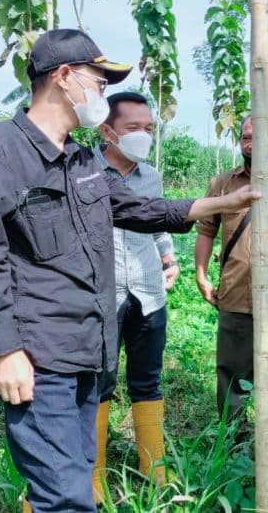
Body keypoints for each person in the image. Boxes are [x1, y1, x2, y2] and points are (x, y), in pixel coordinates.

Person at [0, 28, 259, 513]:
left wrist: (224, 201)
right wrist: (2, 350)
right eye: (98, 81)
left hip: (89, 351)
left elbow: (139, 209)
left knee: (68, 481)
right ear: (64, 76)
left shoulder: (78, 158)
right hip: (39, 357)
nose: (101, 94)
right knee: (67, 497)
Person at [91, 92, 179, 496]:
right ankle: (94, 475)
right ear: (107, 131)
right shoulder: (84, 172)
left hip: (147, 289)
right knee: (98, 382)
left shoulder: (151, 175)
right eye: (133, 128)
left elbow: (157, 220)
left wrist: (168, 257)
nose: (143, 136)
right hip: (99, 294)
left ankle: (155, 469)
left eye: (148, 128)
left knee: (148, 380)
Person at [195, 113, 268, 423]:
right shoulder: (222, 184)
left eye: (257, 138)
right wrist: (201, 273)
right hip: (235, 294)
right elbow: (206, 230)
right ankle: (232, 444)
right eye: (245, 137)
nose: (250, 143)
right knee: (231, 375)